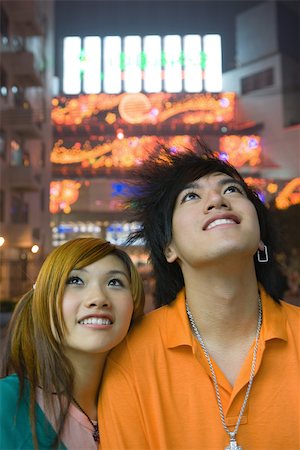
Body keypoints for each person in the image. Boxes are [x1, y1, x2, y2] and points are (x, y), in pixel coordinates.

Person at [98, 144, 300, 450]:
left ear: (259, 238)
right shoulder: (129, 358)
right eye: (191, 196)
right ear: (169, 248)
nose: (217, 200)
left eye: (232, 190)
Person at [0, 237, 144, 449]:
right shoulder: (7, 404)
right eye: (75, 280)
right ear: (42, 300)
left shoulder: (143, 408)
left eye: (115, 282)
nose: (98, 298)